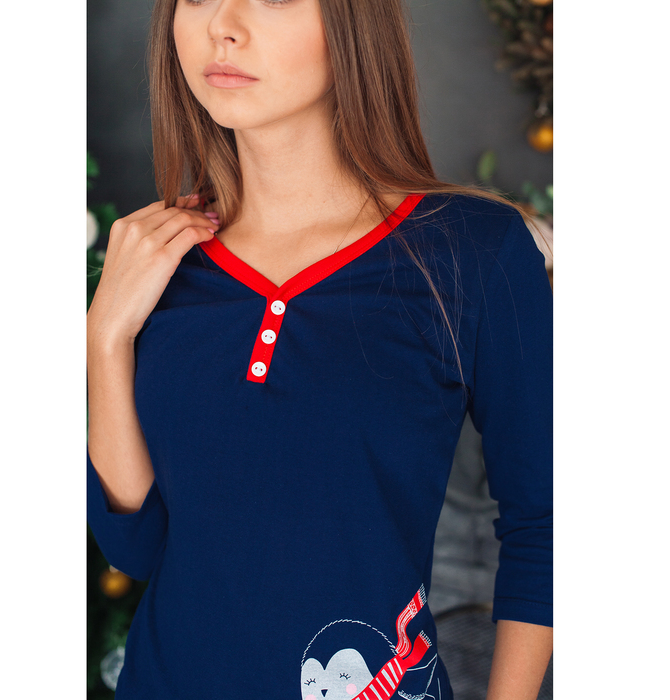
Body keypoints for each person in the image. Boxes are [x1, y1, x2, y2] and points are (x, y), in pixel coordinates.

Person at [86, 0, 553, 698]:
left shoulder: (472, 250)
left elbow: (547, 522)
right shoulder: (154, 260)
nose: (223, 25)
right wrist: (104, 338)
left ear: (351, 22)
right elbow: (138, 548)